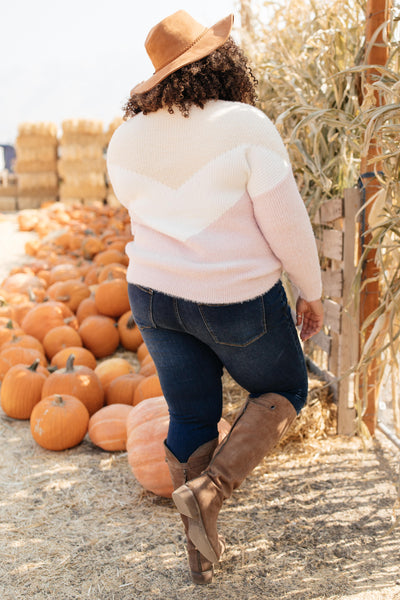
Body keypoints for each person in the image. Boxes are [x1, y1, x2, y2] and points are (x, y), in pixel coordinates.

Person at [107, 9, 324, 585]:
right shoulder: (244, 123)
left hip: (153, 297)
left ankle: (199, 557)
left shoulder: (124, 139)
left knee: (192, 415)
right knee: (283, 387)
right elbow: (288, 226)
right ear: (218, 63)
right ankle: (211, 492)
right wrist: (313, 291)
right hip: (234, 300)